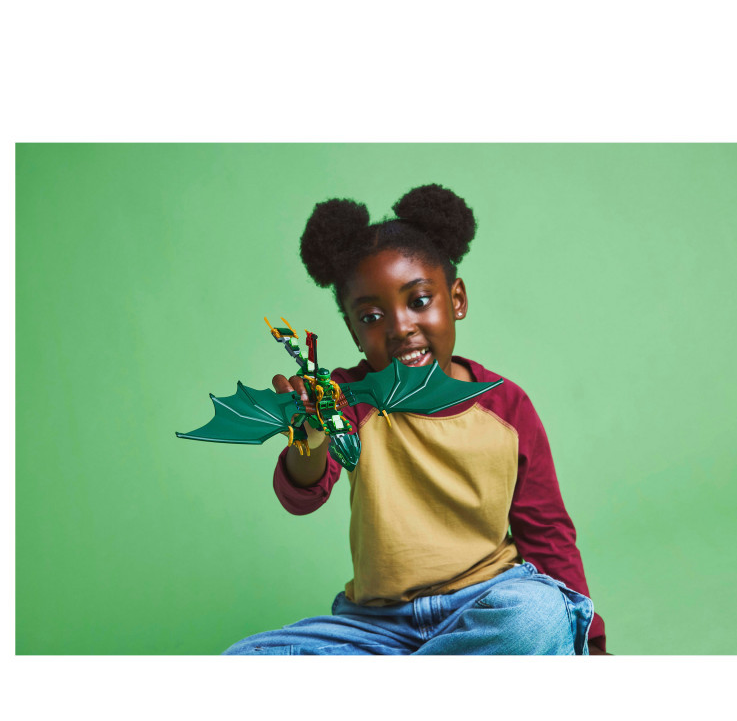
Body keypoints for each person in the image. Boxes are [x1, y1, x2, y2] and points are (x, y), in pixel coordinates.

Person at [222, 184, 608, 655]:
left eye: (419, 301)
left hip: (486, 604)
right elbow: (303, 494)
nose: (400, 327)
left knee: (539, 616)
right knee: (245, 659)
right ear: (353, 331)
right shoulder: (347, 398)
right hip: (375, 624)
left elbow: (547, 532)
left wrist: (592, 645)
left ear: (457, 298)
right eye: (371, 316)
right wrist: (311, 438)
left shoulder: (506, 406)